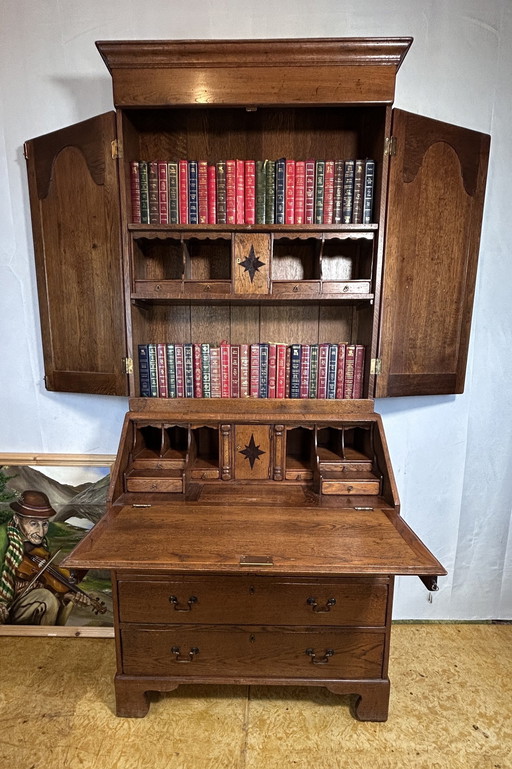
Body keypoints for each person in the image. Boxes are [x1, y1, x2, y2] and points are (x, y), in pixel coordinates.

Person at [0, 489, 91, 625]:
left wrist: (66, 596)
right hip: (6, 607)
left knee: (67, 601)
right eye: (34, 524)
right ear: (17, 519)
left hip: (24, 600)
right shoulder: (2, 540)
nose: (41, 532)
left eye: (45, 524)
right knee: (46, 598)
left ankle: (52, 640)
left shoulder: (41, 542)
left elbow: (42, 580)